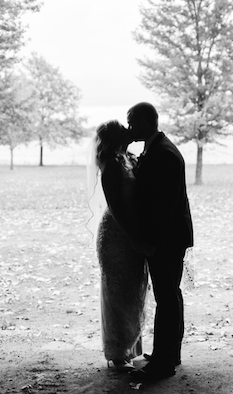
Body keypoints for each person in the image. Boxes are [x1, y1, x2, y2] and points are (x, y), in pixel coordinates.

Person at [127, 102, 194, 381]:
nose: (130, 128)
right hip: (171, 236)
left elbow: (162, 207)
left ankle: (164, 364)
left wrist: (150, 242)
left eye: (132, 123)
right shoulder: (158, 148)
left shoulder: (164, 153)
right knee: (170, 296)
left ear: (145, 121)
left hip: (166, 239)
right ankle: (170, 352)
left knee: (167, 298)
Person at [87, 120, 149, 371]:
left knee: (133, 291)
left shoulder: (129, 157)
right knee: (117, 293)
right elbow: (116, 206)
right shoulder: (111, 165)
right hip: (117, 234)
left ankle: (131, 348)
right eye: (123, 128)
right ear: (115, 136)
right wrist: (133, 236)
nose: (129, 129)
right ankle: (116, 352)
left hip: (132, 230)